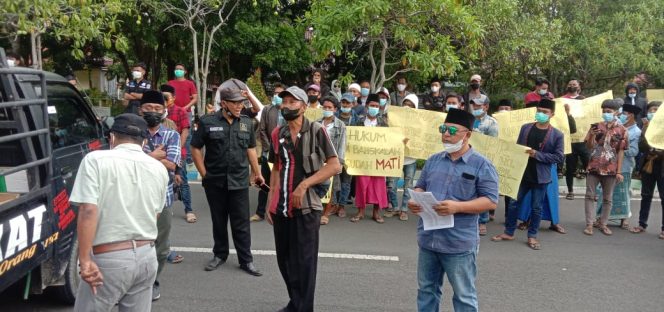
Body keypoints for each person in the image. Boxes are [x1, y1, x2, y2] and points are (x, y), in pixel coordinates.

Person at [70, 114, 168, 312]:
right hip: (147, 256)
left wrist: (85, 259)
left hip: (109, 257)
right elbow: (155, 215)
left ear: (112, 137)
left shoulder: (95, 160)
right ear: (145, 141)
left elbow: (88, 210)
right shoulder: (159, 169)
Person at [408, 108, 499, 312]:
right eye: (443, 129)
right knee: (426, 290)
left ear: (467, 134)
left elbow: (491, 201)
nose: (446, 134)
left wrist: (457, 207)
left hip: (458, 243)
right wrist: (416, 199)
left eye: (452, 130)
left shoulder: (482, 165)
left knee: (464, 296)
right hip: (428, 239)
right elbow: (420, 185)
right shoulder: (433, 160)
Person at [266, 86, 341, 312]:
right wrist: (271, 200)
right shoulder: (277, 134)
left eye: (293, 102)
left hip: (308, 207)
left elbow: (335, 165)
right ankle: (295, 302)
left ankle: (303, 308)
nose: (287, 105)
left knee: (305, 263)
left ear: (304, 106)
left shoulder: (317, 131)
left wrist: (305, 184)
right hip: (282, 207)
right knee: (285, 261)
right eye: (284, 101)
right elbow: (277, 168)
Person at [190, 79, 264, 276]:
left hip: (239, 182)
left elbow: (250, 150)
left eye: (242, 102)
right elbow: (195, 147)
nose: (240, 106)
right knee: (219, 221)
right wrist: (204, 174)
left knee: (241, 224)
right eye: (235, 102)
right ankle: (219, 255)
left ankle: (246, 260)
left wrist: (257, 173)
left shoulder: (247, 124)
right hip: (215, 181)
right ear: (224, 104)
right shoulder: (207, 122)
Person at [492, 99, 564, 250]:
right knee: (512, 203)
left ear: (552, 114)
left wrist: (537, 154)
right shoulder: (525, 128)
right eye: (539, 111)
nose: (541, 114)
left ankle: (532, 236)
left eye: (545, 112)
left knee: (536, 207)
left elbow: (558, 157)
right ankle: (509, 232)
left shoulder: (557, 135)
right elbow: (518, 148)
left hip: (541, 176)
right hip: (522, 174)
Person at [139, 90, 181, 300]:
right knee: (133, 242)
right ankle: (133, 283)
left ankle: (153, 281)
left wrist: (141, 156)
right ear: (140, 110)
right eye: (148, 108)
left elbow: (171, 165)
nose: (153, 112)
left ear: (164, 112)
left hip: (161, 199)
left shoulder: (171, 135)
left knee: (161, 247)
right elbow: (122, 158)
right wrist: (155, 156)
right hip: (135, 198)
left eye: (157, 109)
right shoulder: (132, 133)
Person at [581, 99, 627, 236]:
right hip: (594, 166)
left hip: (611, 168)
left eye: (609, 111)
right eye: (604, 111)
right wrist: (592, 137)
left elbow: (621, 151)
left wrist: (619, 171)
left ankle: (603, 224)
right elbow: (589, 147)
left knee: (608, 198)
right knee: (589, 195)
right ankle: (589, 224)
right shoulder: (595, 126)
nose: (606, 114)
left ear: (616, 112)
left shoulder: (622, 130)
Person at [596, 103, 641, 229]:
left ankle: (624, 218)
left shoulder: (636, 132)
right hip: (609, 166)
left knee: (623, 194)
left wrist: (616, 150)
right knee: (604, 193)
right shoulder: (618, 128)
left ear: (631, 116)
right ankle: (600, 217)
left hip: (625, 167)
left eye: (623, 114)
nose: (620, 116)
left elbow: (634, 151)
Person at [351, 94, 390, 223]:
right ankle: (360, 211)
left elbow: (390, 140)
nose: (374, 108)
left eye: (376, 106)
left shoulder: (383, 123)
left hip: (378, 159)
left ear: (379, 107)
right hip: (362, 159)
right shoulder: (359, 121)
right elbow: (353, 139)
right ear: (367, 106)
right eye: (372, 105)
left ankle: (376, 212)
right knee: (362, 184)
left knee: (378, 185)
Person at [251, 83, 286, 222]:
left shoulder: (288, 110)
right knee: (264, 183)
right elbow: (262, 130)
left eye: (280, 93)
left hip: (285, 154)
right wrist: (269, 147)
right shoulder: (267, 109)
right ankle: (260, 212)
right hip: (269, 153)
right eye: (275, 93)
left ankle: (279, 210)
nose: (277, 96)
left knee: (282, 183)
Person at [160, 84, 195, 223]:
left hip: (178, 152)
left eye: (166, 96)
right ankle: (165, 208)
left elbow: (185, 130)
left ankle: (189, 210)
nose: (164, 99)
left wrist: (177, 147)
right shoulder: (157, 112)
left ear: (173, 98)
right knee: (161, 181)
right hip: (159, 154)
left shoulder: (180, 111)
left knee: (182, 180)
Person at [630, 101, 664, 239]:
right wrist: (645, 129)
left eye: (656, 110)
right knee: (646, 195)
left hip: (662, 166)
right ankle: (642, 224)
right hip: (648, 165)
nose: (653, 112)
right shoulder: (646, 127)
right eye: (651, 110)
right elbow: (642, 147)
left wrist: (658, 153)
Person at [385, 94, 419, 221]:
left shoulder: (419, 123)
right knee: (391, 184)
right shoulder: (394, 119)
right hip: (395, 156)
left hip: (411, 159)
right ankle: (394, 207)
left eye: (410, 105)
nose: (407, 107)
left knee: (408, 185)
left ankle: (404, 209)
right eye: (405, 104)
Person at [470, 97, 498, 235]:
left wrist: (478, 136)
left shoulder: (491, 123)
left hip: (483, 162)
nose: (475, 108)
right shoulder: (468, 119)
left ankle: (482, 222)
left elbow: (492, 144)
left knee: (482, 191)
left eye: (478, 106)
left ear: (486, 107)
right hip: (468, 159)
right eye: (474, 105)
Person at [318, 96, 347, 225]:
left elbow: (342, 145)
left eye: (330, 107)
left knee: (330, 188)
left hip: (332, 160)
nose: (327, 109)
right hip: (318, 160)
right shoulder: (316, 123)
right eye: (325, 107)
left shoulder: (340, 125)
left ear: (335, 109)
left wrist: (339, 163)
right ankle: (317, 210)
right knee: (317, 185)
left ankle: (326, 214)